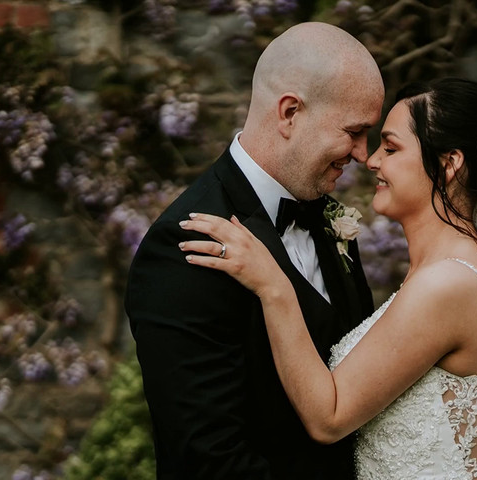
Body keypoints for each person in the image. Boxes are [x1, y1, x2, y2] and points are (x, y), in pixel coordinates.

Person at [180, 78, 477, 479]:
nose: (372, 160)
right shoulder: (444, 273)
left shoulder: (448, 284)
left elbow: (329, 417)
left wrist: (273, 285)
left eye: (391, 147)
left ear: (448, 164)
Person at [124, 22, 384, 479]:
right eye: (355, 131)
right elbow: (208, 459)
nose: (364, 154)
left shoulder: (328, 216)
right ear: (289, 113)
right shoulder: (185, 244)